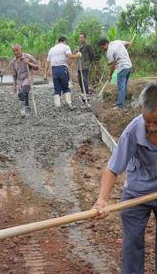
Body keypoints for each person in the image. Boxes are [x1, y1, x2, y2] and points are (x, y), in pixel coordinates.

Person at [93, 83, 157, 274]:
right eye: (148, 122)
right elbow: (113, 169)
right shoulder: (132, 131)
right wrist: (102, 200)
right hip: (137, 192)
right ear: (142, 111)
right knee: (132, 244)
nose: (152, 128)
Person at [44, 36, 82, 110]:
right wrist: (78, 55)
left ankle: (57, 106)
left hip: (54, 70)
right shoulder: (65, 47)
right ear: (64, 41)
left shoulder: (51, 49)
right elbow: (69, 56)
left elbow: (47, 62)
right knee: (65, 87)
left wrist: (45, 73)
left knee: (57, 88)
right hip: (62, 69)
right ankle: (69, 104)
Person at [98, 38, 133, 110]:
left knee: (121, 87)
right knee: (124, 86)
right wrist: (123, 52)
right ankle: (122, 102)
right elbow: (128, 43)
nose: (103, 49)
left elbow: (112, 65)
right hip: (129, 66)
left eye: (102, 47)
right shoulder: (117, 41)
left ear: (106, 44)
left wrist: (110, 75)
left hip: (122, 68)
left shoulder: (109, 51)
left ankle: (120, 105)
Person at [11, 44, 39, 118]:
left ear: (21, 49)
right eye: (14, 51)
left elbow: (37, 67)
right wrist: (14, 85)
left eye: (17, 50)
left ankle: (23, 108)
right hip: (19, 81)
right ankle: (27, 109)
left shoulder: (27, 57)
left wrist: (28, 63)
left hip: (27, 78)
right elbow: (14, 75)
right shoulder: (14, 61)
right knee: (23, 95)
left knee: (23, 92)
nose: (16, 52)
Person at [76, 33, 95, 98]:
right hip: (79, 66)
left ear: (85, 38)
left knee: (84, 80)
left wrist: (89, 62)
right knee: (80, 80)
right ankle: (83, 92)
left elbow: (92, 55)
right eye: (79, 38)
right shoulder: (79, 46)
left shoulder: (88, 46)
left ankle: (86, 93)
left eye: (81, 38)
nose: (80, 39)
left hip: (85, 66)